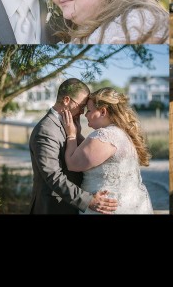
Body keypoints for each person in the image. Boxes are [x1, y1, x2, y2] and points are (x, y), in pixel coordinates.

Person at [29, 78, 118, 214]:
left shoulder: (69, 124)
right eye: (81, 106)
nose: (82, 112)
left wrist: (77, 134)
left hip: (69, 204)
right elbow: (53, 176)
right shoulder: (46, 130)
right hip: (53, 207)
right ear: (66, 100)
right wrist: (88, 200)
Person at [62, 87, 153, 214]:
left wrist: (71, 135)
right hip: (131, 205)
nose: (85, 114)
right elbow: (90, 153)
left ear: (103, 111)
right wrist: (78, 134)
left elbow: (72, 164)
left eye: (89, 110)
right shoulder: (121, 133)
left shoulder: (104, 135)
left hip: (107, 209)